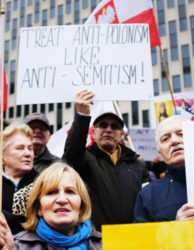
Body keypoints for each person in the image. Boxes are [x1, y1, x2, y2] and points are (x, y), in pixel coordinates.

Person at [63, 90, 150, 231]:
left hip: (134, 238)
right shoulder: (83, 158)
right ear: (93, 132)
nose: (108, 130)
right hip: (96, 240)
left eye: (115, 126)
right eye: (103, 125)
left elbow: (147, 201)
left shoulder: (138, 164)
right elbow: (70, 154)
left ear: (122, 135)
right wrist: (82, 115)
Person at [0, 163, 102, 249]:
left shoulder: (106, 244)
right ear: (39, 208)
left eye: (70, 192)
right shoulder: (16, 246)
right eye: (51, 192)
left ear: (81, 206)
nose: (62, 199)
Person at [0, 124, 39, 233]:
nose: (28, 153)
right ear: (2, 155)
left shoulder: (42, 182)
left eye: (30, 148)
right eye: (20, 148)